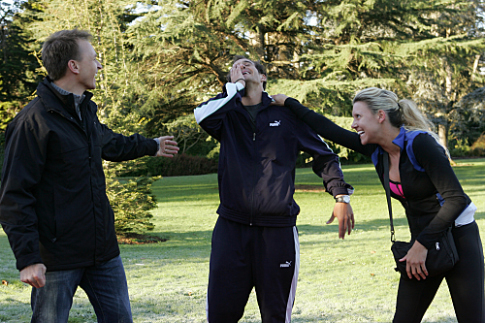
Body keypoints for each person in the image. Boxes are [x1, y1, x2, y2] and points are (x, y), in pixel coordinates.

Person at [0, 29, 179, 323]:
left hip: (103, 252)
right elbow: (14, 196)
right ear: (74, 66)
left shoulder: (84, 112)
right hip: (57, 257)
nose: (98, 66)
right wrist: (28, 258)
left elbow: (108, 142)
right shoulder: (33, 122)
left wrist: (152, 146)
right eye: (94, 59)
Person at [272, 87, 484, 322]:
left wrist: (420, 245)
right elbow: (326, 128)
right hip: (421, 247)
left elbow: (457, 199)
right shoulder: (376, 150)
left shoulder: (420, 144)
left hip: (458, 239)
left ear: (380, 116)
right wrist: (289, 102)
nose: (353, 124)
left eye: (358, 117)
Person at [193, 55, 355, 323]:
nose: (241, 67)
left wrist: (340, 195)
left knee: (276, 316)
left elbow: (324, 156)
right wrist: (232, 89)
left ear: (263, 76)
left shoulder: (286, 116)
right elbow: (200, 115)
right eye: (235, 67)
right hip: (231, 231)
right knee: (221, 315)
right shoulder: (224, 114)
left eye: (248, 65)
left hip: (277, 232)